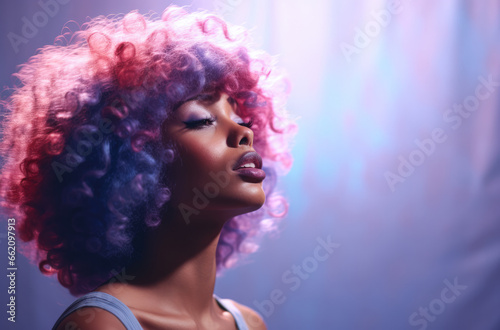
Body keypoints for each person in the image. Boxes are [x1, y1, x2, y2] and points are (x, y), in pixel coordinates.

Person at [0, 5, 295, 330]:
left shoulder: (250, 324)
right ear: (131, 165)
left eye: (241, 118)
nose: (245, 133)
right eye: (202, 120)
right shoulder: (100, 325)